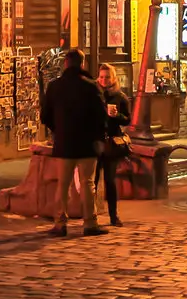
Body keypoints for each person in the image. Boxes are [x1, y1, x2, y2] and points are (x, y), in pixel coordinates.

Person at [40, 48, 109, 234]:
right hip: (87, 143)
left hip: (64, 142)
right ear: (83, 64)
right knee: (87, 183)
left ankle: (60, 223)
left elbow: (45, 115)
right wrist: (98, 137)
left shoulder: (55, 86)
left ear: (65, 63)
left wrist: (57, 130)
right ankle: (90, 223)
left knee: (63, 184)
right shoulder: (90, 86)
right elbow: (101, 116)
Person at [96, 65, 133, 225]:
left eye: (107, 77)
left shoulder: (120, 97)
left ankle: (113, 215)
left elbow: (127, 119)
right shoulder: (94, 94)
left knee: (110, 180)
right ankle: (91, 215)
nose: (104, 80)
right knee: (93, 181)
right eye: (102, 77)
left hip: (111, 142)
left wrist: (116, 115)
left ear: (113, 78)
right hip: (95, 141)